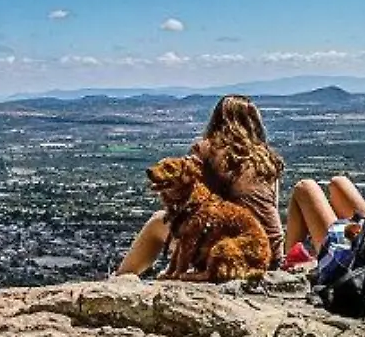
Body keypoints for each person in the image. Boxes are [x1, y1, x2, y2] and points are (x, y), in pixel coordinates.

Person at [116, 95, 286, 276]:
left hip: (231, 250)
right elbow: (271, 207)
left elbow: (193, 200)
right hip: (272, 254)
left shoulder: (206, 149)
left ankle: (121, 279)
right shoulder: (268, 158)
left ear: (216, 120)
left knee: (159, 221)